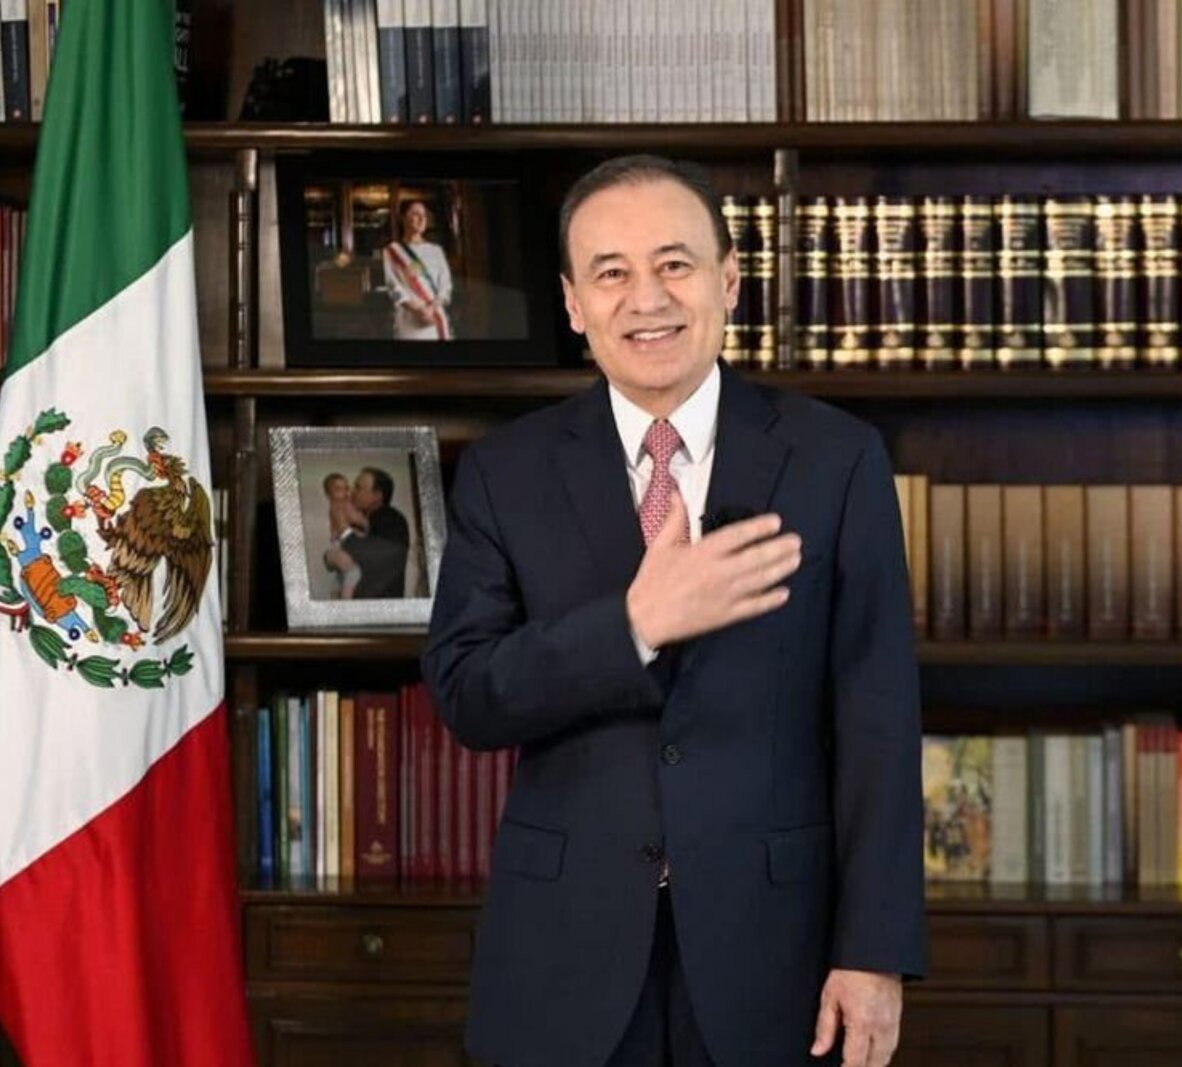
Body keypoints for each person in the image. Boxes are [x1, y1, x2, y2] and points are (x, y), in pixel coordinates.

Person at [422, 155, 925, 1067]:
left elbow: (878, 718)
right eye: (611, 272)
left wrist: (874, 950)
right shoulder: (505, 471)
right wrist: (634, 625)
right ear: (574, 303)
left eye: (674, 264)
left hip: (774, 952)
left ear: (728, 279)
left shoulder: (836, 459)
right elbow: (468, 694)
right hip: (563, 952)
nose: (646, 298)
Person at [328, 467, 410, 599]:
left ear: (376, 496)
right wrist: (329, 556)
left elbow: (369, 555)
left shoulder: (392, 518)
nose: (352, 492)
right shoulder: (365, 522)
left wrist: (343, 526)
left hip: (381, 607)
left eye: (358, 487)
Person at [383, 199, 454, 341]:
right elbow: (393, 287)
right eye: (415, 214)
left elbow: (446, 285)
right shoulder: (392, 251)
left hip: (435, 317)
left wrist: (431, 308)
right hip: (409, 320)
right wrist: (417, 310)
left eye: (424, 215)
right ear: (403, 218)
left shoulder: (436, 250)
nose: (422, 219)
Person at [321, 471, 367, 600]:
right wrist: (363, 529)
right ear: (328, 494)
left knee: (343, 574)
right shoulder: (340, 506)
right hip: (341, 545)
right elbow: (357, 523)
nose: (344, 493)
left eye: (346, 488)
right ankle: (346, 600)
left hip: (341, 545)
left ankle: (336, 594)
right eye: (338, 489)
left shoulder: (341, 506)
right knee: (353, 571)